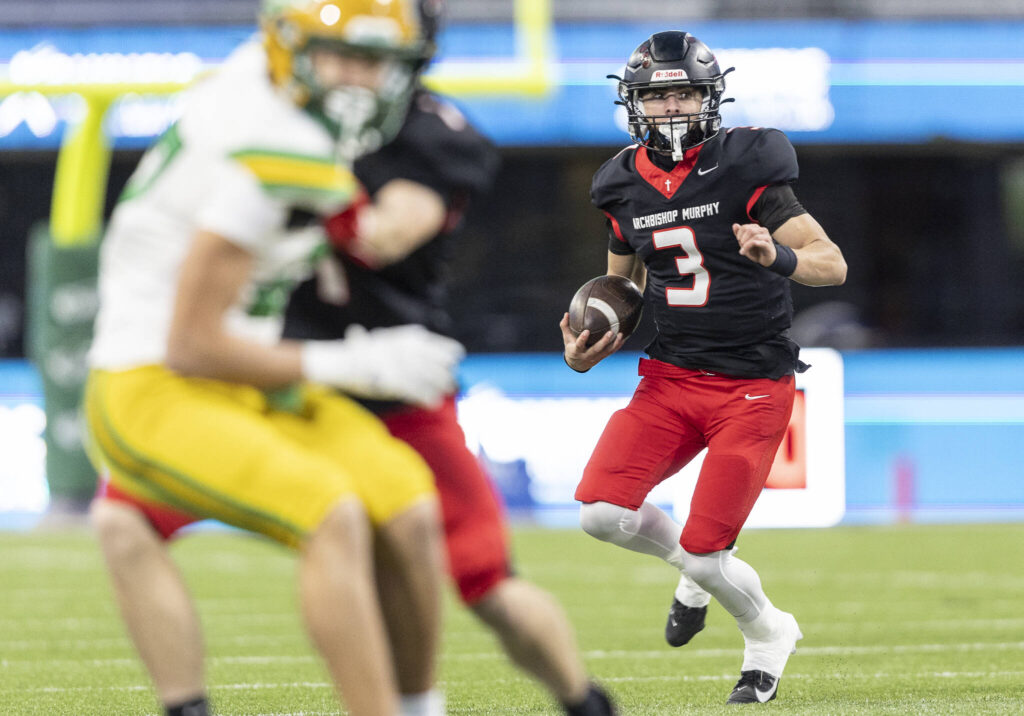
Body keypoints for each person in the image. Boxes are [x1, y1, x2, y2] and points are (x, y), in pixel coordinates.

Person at [84, 2, 462, 715]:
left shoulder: (277, 94)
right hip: (155, 380)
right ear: (291, 51)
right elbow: (189, 346)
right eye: (342, 58)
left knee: (409, 505)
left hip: (245, 374)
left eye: (376, 64)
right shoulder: (269, 143)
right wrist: (356, 363)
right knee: (331, 512)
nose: (359, 82)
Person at [559, 31, 847, 705]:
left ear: (711, 97)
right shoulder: (621, 182)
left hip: (752, 384)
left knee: (705, 552)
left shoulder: (748, 162)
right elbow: (619, 287)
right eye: (657, 97)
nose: (672, 108)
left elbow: (831, 264)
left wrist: (775, 256)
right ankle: (695, 568)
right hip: (671, 376)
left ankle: (768, 633)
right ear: (634, 105)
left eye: (684, 91)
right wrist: (589, 343)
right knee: (599, 515)